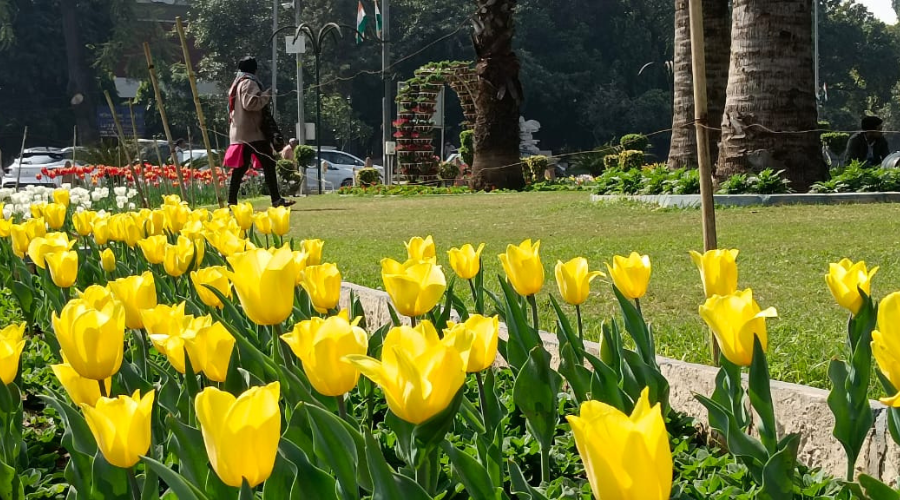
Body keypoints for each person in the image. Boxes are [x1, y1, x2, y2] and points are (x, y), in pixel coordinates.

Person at [222, 56, 294, 207]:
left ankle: (231, 202)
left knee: (240, 169)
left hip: (242, 133)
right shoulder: (249, 82)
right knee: (269, 164)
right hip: (253, 133)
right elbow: (250, 104)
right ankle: (276, 200)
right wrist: (266, 95)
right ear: (254, 69)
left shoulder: (237, 83)